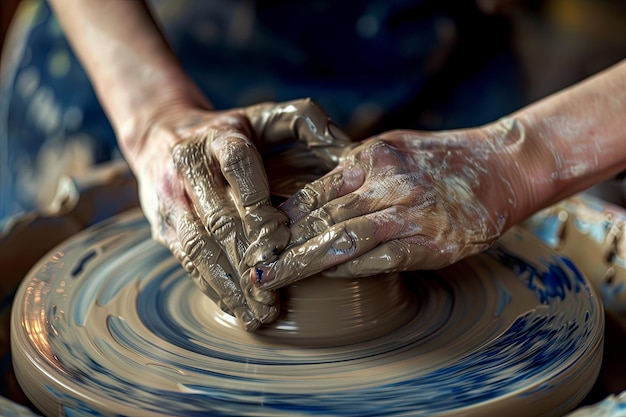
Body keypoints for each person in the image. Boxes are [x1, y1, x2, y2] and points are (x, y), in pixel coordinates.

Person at [3, 0, 625, 333]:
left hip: (431, 54)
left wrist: (519, 158)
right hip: (134, 55)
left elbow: (521, 155)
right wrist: (152, 115)